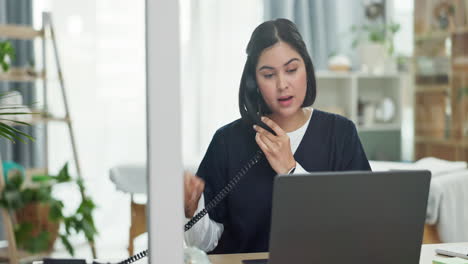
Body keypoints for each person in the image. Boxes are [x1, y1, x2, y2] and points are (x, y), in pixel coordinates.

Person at [184, 18, 371, 254]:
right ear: (254, 83)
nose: (282, 84)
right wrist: (192, 211)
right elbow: (204, 244)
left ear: (307, 69)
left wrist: (291, 170)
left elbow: (359, 229)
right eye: (269, 75)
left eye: (292, 70)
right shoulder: (226, 142)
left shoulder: (341, 134)